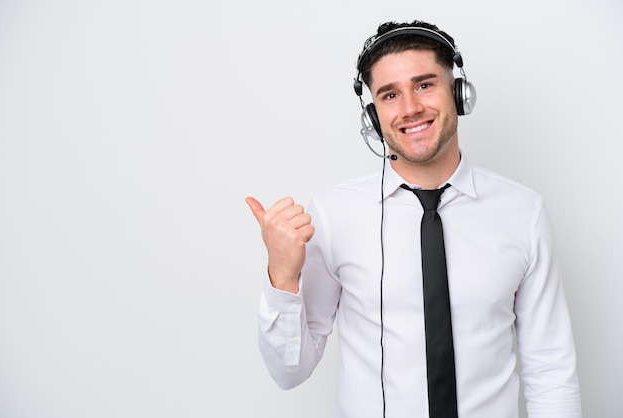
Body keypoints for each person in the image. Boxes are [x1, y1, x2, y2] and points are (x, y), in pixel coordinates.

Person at [246, 20, 581, 418]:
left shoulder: (523, 212)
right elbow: (290, 371)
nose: (410, 108)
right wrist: (282, 278)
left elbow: (551, 370)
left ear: (459, 92)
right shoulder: (334, 214)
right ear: (373, 115)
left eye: (424, 85)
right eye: (390, 95)